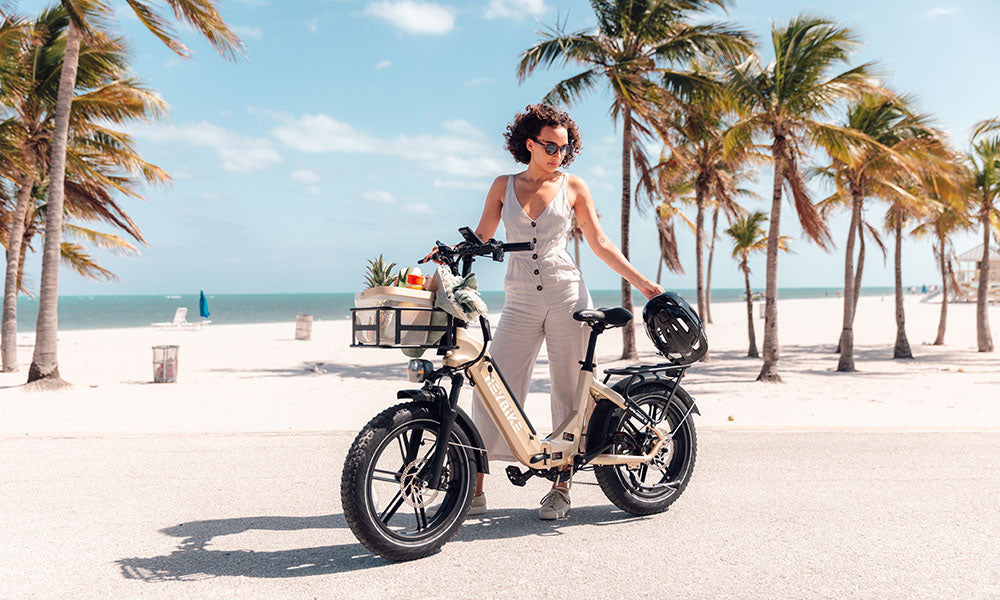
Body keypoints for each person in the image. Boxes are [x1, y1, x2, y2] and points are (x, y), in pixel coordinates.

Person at [431, 104, 663, 520]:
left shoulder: (573, 187)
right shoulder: (503, 185)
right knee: (492, 384)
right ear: (529, 144)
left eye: (564, 146)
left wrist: (642, 283)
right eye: (550, 146)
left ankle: (561, 485)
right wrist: (451, 253)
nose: (558, 153)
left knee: (568, 388)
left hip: (566, 296)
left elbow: (600, 242)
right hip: (519, 298)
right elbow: (483, 236)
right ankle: (476, 486)